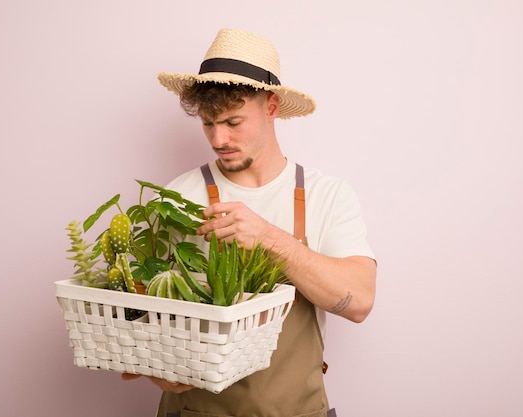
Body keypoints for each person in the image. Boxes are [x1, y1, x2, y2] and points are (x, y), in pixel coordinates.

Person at [123, 28, 377, 417]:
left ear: (271, 106)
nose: (218, 138)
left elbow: (358, 302)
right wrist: (154, 368)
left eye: (233, 121)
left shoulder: (327, 194)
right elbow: (135, 311)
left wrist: (270, 238)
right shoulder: (178, 196)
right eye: (208, 124)